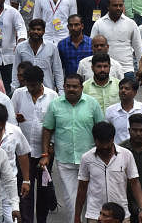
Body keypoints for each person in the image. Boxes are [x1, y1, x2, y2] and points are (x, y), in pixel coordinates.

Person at [42, 74, 103, 223]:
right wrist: (45, 153)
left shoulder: (92, 104)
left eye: (75, 86)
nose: (71, 89)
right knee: (71, 199)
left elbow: (101, 128)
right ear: (64, 87)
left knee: (92, 198)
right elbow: (47, 129)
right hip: (65, 160)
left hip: (90, 160)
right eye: (68, 86)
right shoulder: (55, 104)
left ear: (81, 88)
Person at [75, 121, 142, 223]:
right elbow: (82, 189)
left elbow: (135, 183)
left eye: (107, 143)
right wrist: (77, 217)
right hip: (95, 215)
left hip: (121, 216)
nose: (104, 147)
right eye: (101, 143)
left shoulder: (126, 155)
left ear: (113, 139)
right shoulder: (86, 158)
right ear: (95, 140)